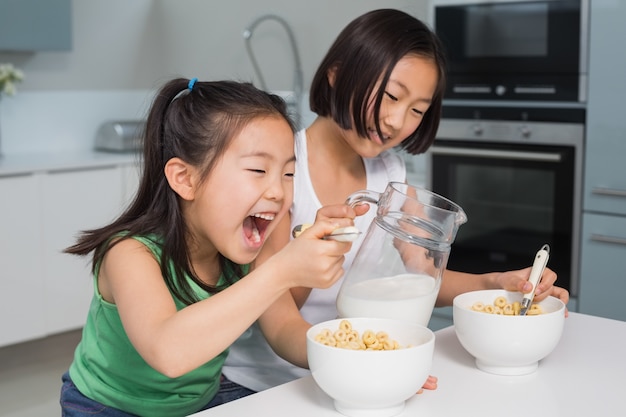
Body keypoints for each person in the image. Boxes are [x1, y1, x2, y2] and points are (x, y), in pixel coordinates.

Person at [221, 8, 570, 399]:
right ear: (336, 74)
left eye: (417, 110)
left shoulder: (389, 173)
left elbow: (419, 278)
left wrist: (495, 284)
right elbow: (278, 318)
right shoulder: (283, 173)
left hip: (352, 378)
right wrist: (360, 358)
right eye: (391, 96)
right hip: (266, 387)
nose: (396, 120)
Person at [58, 78, 363, 417]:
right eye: (258, 170)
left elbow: (285, 330)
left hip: (201, 403)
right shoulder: (129, 254)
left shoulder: (249, 250)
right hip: (104, 407)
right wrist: (283, 270)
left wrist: (361, 359)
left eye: (289, 174)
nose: (278, 191)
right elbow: (168, 352)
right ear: (186, 179)